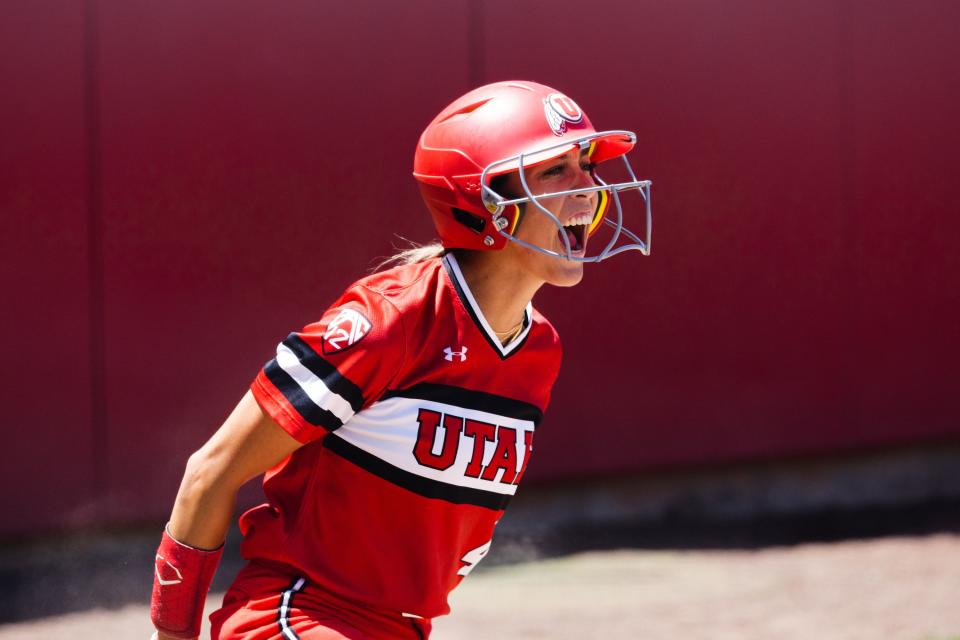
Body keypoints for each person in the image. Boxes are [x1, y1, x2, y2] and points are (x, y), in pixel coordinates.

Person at [150, 80, 653, 640]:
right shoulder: (391, 318)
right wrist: (172, 634)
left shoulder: (540, 350)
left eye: (587, 167)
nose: (589, 191)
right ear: (485, 202)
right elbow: (211, 472)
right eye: (556, 171)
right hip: (297, 615)